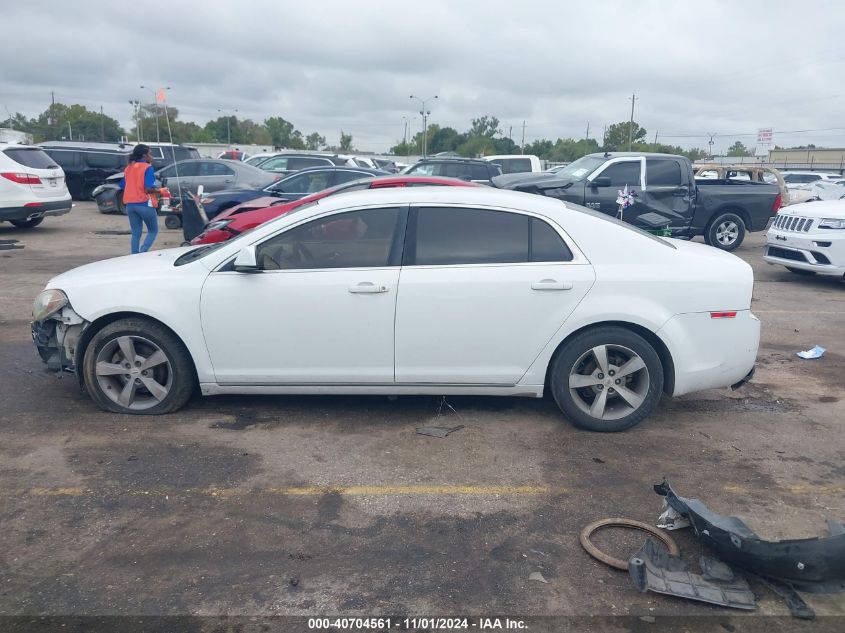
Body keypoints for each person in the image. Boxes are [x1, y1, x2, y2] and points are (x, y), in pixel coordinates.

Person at [120, 144, 161, 254]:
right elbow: (148, 188)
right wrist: (160, 190)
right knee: (153, 230)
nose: (152, 156)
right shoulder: (147, 168)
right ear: (144, 155)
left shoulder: (128, 168)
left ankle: (134, 255)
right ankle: (143, 252)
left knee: (136, 232)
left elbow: (123, 185)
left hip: (130, 205)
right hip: (143, 203)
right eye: (150, 153)